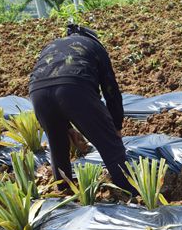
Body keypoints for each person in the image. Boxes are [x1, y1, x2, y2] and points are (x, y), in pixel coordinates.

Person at [29, 23, 133, 194]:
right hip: (74, 87)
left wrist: (68, 128)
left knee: (58, 148)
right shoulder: (95, 47)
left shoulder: (53, 45)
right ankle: (130, 193)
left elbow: (52, 85)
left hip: (37, 92)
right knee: (110, 147)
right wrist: (116, 127)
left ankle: (63, 192)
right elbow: (111, 90)